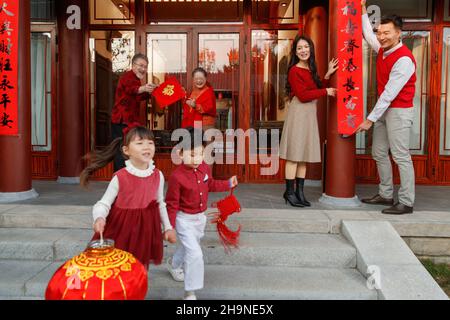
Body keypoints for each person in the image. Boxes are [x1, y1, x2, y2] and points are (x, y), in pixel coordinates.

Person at [80, 126, 177, 269]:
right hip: (122, 228)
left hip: (146, 228)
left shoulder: (158, 175)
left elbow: (160, 203)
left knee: (140, 267)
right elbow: (104, 203)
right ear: (126, 150)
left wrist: (168, 227)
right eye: (140, 143)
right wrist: (99, 217)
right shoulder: (121, 176)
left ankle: (136, 289)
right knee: (117, 266)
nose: (146, 147)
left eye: (150, 143)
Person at [357, 0, 416, 215]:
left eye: (387, 33)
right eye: (380, 32)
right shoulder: (382, 49)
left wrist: (369, 119)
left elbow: (390, 94)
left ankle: (407, 201)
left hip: (399, 110)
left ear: (398, 33)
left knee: (401, 156)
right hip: (384, 109)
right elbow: (367, 33)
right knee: (379, 152)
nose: (381, 36)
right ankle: (385, 194)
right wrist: (363, 10)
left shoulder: (404, 60)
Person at [165, 127, 238, 300]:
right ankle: (190, 292)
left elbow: (210, 184)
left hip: (200, 219)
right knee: (195, 254)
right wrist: (170, 227)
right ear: (180, 154)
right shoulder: (177, 177)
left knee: (187, 248)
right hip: (184, 220)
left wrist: (228, 184)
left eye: (200, 154)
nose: (197, 158)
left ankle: (174, 265)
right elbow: (172, 204)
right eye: (191, 154)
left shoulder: (204, 167)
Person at [279, 35, 338, 207]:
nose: (303, 50)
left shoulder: (310, 69)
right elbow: (304, 95)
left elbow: (317, 89)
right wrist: (326, 91)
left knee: (303, 155)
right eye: (299, 48)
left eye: (306, 47)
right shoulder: (294, 70)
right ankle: (289, 193)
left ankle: (299, 192)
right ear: (295, 52)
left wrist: (327, 74)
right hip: (299, 113)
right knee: (293, 156)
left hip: (309, 114)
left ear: (310, 49)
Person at [111, 53, 157, 172]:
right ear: (133, 65)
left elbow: (136, 97)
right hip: (122, 120)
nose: (143, 69)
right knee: (121, 150)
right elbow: (131, 89)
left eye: (145, 67)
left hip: (130, 121)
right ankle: (119, 178)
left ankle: (127, 176)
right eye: (140, 65)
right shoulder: (127, 77)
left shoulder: (136, 80)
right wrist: (144, 88)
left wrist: (149, 92)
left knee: (128, 149)